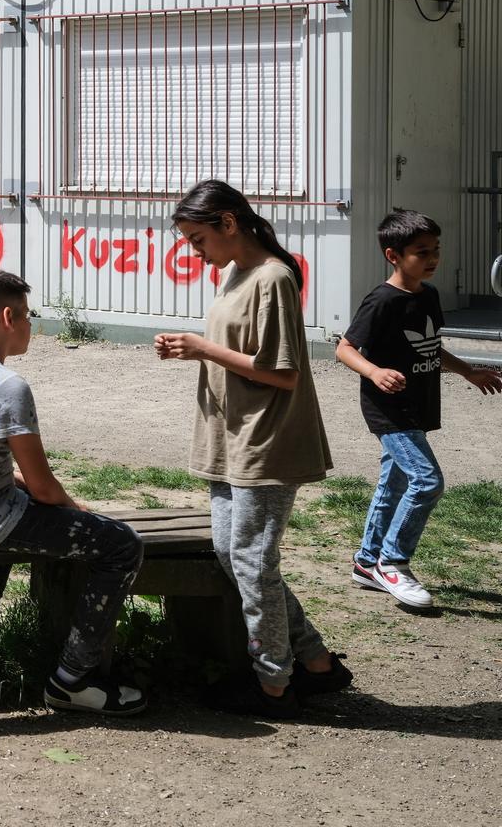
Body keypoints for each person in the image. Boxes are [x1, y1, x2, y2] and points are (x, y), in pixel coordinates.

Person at [0, 268, 149, 717]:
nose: (32, 325)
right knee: (122, 545)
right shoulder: (6, 386)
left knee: (15, 505)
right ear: (8, 317)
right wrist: (77, 509)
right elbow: (43, 486)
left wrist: (40, 499)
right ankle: (73, 680)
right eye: (29, 315)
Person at [155, 179, 351, 718]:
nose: (195, 250)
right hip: (230, 438)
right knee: (234, 555)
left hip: (268, 441)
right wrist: (190, 352)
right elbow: (238, 353)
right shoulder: (233, 273)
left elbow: (283, 374)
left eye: (197, 238)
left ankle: (273, 686)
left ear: (228, 223)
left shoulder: (274, 278)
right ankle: (315, 663)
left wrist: (202, 348)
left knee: (251, 560)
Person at [335, 208, 502, 608]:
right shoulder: (382, 301)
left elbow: (429, 347)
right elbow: (345, 348)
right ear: (393, 255)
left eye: (436, 249)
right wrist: (374, 372)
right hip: (389, 411)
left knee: (393, 483)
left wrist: (468, 372)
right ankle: (393, 563)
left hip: (418, 406)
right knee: (427, 482)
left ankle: (366, 562)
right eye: (421, 251)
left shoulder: (428, 296)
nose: (432, 258)